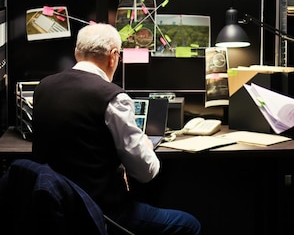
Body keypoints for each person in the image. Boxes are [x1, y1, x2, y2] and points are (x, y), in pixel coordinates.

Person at [32, 23, 201, 235]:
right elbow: (146, 172)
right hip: (101, 213)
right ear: (113, 56)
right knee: (190, 225)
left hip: (56, 211)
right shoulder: (113, 98)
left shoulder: (43, 88)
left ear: (77, 53)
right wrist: (146, 146)